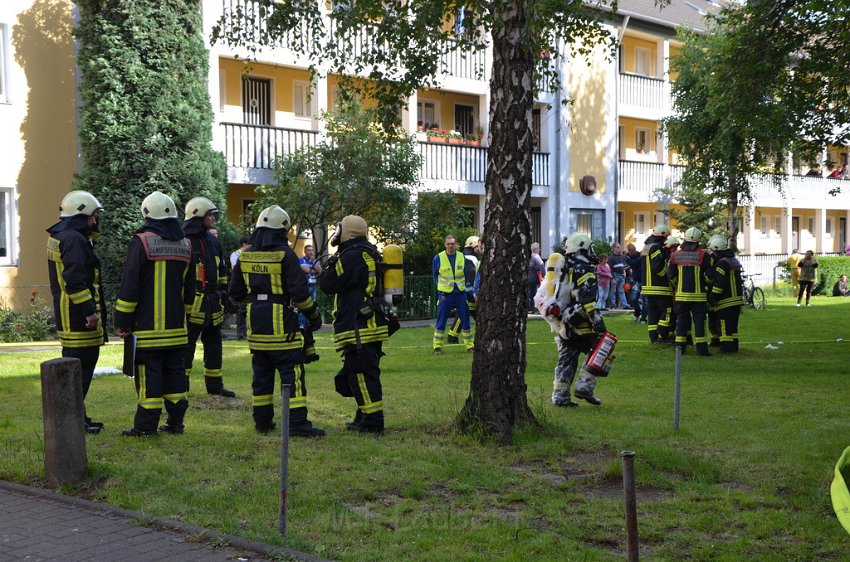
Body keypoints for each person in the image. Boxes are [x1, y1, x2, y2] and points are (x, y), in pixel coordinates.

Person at [229, 205, 324, 437]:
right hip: (283, 330)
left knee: (261, 377)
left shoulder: (246, 255)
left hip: (256, 329)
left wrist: (256, 300)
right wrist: (314, 317)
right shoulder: (286, 255)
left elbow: (235, 292)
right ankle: (297, 424)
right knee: (293, 375)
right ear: (283, 230)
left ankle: (262, 422)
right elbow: (301, 295)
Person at [114, 191, 194, 436]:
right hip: (177, 331)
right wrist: (186, 319)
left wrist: (122, 321)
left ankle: (145, 428)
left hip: (147, 331)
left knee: (150, 379)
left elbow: (131, 285)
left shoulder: (142, 241)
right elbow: (190, 290)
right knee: (175, 378)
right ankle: (175, 423)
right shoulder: (185, 244)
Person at [318, 215, 389, 433]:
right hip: (370, 323)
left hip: (358, 327)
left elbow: (328, 284)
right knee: (359, 372)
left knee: (361, 373)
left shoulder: (351, 257)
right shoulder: (369, 253)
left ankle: (373, 422)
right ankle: (363, 416)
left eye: (339, 229)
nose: (336, 233)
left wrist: (327, 268)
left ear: (347, 231)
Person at [46, 190, 108, 435]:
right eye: (93, 216)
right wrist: (89, 312)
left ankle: (78, 418)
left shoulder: (64, 236)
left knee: (76, 371)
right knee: (79, 373)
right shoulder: (74, 240)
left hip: (70, 315)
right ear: (83, 214)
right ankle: (73, 422)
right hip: (78, 318)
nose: (95, 221)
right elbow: (75, 281)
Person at [540, 232, 606, 407]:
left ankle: (560, 396)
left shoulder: (564, 266)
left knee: (567, 358)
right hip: (581, 323)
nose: (592, 251)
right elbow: (587, 301)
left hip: (563, 322)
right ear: (582, 249)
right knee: (603, 349)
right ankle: (585, 387)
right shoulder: (585, 270)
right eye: (590, 248)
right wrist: (599, 323)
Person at [183, 197, 236, 398]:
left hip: (213, 302)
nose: (213, 218)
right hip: (191, 304)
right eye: (209, 214)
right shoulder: (183, 240)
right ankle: (182, 385)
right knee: (186, 347)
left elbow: (221, 269)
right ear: (198, 215)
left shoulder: (212, 241)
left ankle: (215, 385)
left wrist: (225, 293)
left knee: (214, 346)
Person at [667, 227, 713, 356]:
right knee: (699, 322)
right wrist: (705, 284)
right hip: (699, 297)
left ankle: (680, 349)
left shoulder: (675, 255)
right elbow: (710, 276)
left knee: (681, 322)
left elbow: (671, 275)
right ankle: (702, 350)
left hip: (681, 296)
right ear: (698, 240)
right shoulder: (704, 255)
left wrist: (677, 286)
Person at [431, 234, 474, 354]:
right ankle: (437, 347)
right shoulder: (438, 258)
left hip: (460, 293)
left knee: (465, 320)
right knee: (441, 320)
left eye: (452, 243)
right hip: (445, 295)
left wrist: (467, 289)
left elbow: (466, 274)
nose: (450, 246)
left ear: (456, 244)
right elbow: (435, 275)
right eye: (448, 243)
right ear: (445, 244)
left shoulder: (461, 257)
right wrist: (440, 289)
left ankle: (470, 346)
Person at [706, 234, 744, 353]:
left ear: (716, 250)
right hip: (736, 299)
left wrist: (713, 296)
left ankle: (726, 348)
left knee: (723, 324)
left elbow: (719, 283)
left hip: (726, 300)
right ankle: (734, 347)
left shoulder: (722, 263)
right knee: (732, 326)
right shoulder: (733, 260)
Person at [640, 224, 674, 344]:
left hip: (647, 288)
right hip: (660, 287)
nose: (665, 240)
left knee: (652, 313)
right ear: (662, 236)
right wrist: (667, 273)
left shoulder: (646, 247)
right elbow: (657, 267)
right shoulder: (656, 247)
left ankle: (653, 338)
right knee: (668, 310)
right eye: (665, 237)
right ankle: (661, 336)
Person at [448, 235, 481, 343]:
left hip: (463, 289)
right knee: (466, 313)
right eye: (478, 246)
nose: (479, 249)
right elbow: (471, 275)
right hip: (469, 291)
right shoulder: (472, 258)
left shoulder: (463, 256)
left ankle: (452, 335)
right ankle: (452, 336)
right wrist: (472, 291)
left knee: (465, 313)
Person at [230, 236, 250, 339]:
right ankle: (241, 333)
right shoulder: (236, 254)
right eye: (249, 244)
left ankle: (246, 331)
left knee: (248, 310)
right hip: (241, 285)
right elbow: (235, 268)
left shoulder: (250, 254)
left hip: (249, 284)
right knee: (242, 311)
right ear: (244, 244)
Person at [625, 242, 645, 323]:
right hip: (636, 281)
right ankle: (637, 312)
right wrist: (641, 257)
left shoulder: (640, 255)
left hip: (643, 280)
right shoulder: (628, 257)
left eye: (632, 251)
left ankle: (643, 318)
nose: (631, 252)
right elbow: (633, 263)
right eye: (630, 251)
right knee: (633, 299)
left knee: (645, 301)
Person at [608, 243, 629, 309]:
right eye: (618, 247)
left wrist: (624, 272)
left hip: (622, 275)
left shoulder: (621, 257)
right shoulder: (611, 258)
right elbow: (610, 269)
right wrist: (612, 278)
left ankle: (624, 305)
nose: (619, 249)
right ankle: (613, 305)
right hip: (615, 275)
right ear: (614, 248)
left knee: (621, 291)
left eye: (619, 247)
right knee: (613, 291)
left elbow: (623, 266)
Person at [528, 242, 545, 312]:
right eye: (539, 248)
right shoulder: (537, 258)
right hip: (536, 279)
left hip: (529, 279)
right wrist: (544, 277)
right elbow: (540, 267)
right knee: (536, 294)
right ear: (537, 249)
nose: (540, 250)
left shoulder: (529, 257)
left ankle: (529, 308)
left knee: (529, 294)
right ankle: (536, 309)